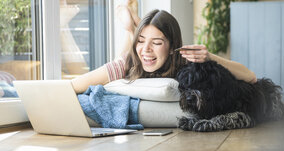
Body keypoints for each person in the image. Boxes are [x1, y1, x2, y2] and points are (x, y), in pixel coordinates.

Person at [71, 0, 257, 94]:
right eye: (142, 40)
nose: (146, 49)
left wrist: (210, 57)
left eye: (157, 43)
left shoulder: (184, 59)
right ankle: (127, 16)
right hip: (129, 56)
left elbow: (250, 76)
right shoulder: (126, 63)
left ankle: (131, 21)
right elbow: (74, 86)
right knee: (130, 34)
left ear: (171, 46)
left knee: (135, 34)